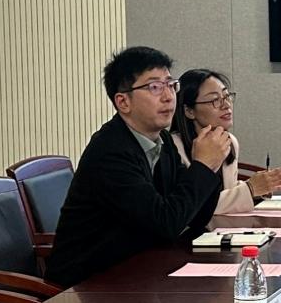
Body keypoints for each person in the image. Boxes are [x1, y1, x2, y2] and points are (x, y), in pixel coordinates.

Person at [45, 46, 230, 287]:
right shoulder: (110, 153)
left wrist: (212, 164)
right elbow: (166, 223)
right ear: (123, 102)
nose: (168, 96)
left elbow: (193, 216)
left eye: (170, 85)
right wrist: (203, 166)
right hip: (87, 287)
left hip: (138, 272)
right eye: (154, 87)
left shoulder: (162, 140)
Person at [171, 67, 281, 217]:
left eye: (227, 96)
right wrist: (250, 189)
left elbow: (226, 194)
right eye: (214, 100)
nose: (226, 105)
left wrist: (261, 186)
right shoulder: (173, 148)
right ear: (189, 111)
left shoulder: (229, 141)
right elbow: (191, 207)